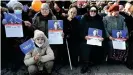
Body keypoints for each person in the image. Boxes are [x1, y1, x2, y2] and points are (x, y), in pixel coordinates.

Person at [80, 6, 105, 74]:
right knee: (85, 46)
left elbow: (103, 30)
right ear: (89, 11)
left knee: (100, 46)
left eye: (94, 11)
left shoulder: (99, 19)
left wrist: (102, 37)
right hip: (86, 39)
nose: (93, 12)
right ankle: (85, 64)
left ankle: (93, 61)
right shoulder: (84, 18)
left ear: (96, 12)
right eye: (91, 11)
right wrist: (84, 36)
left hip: (97, 39)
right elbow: (80, 30)